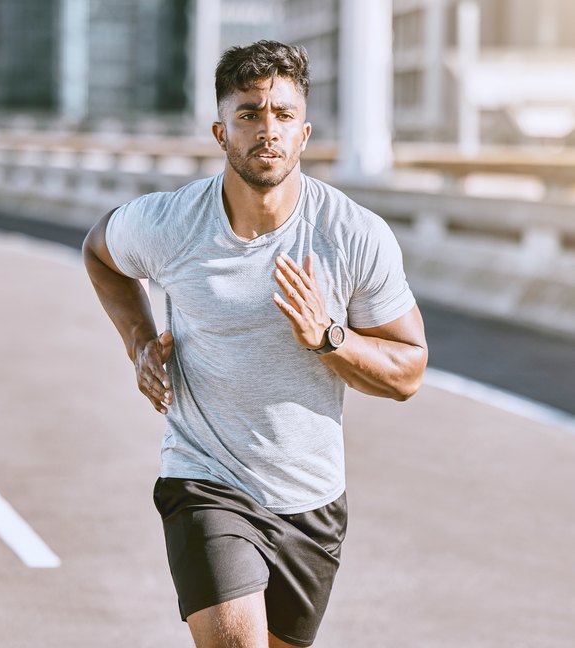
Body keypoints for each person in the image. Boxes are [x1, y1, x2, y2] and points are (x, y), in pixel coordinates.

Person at [82, 40, 428, 648]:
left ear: (304, 132)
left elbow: (408, 371)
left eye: (282, 115)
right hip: (204, 475)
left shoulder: (353, 236)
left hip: (311, 498)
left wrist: (330, 338)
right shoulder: (171, 223)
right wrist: (139, 341)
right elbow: (100, 251)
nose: (266, 130)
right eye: (248, 115)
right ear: (221, 132)